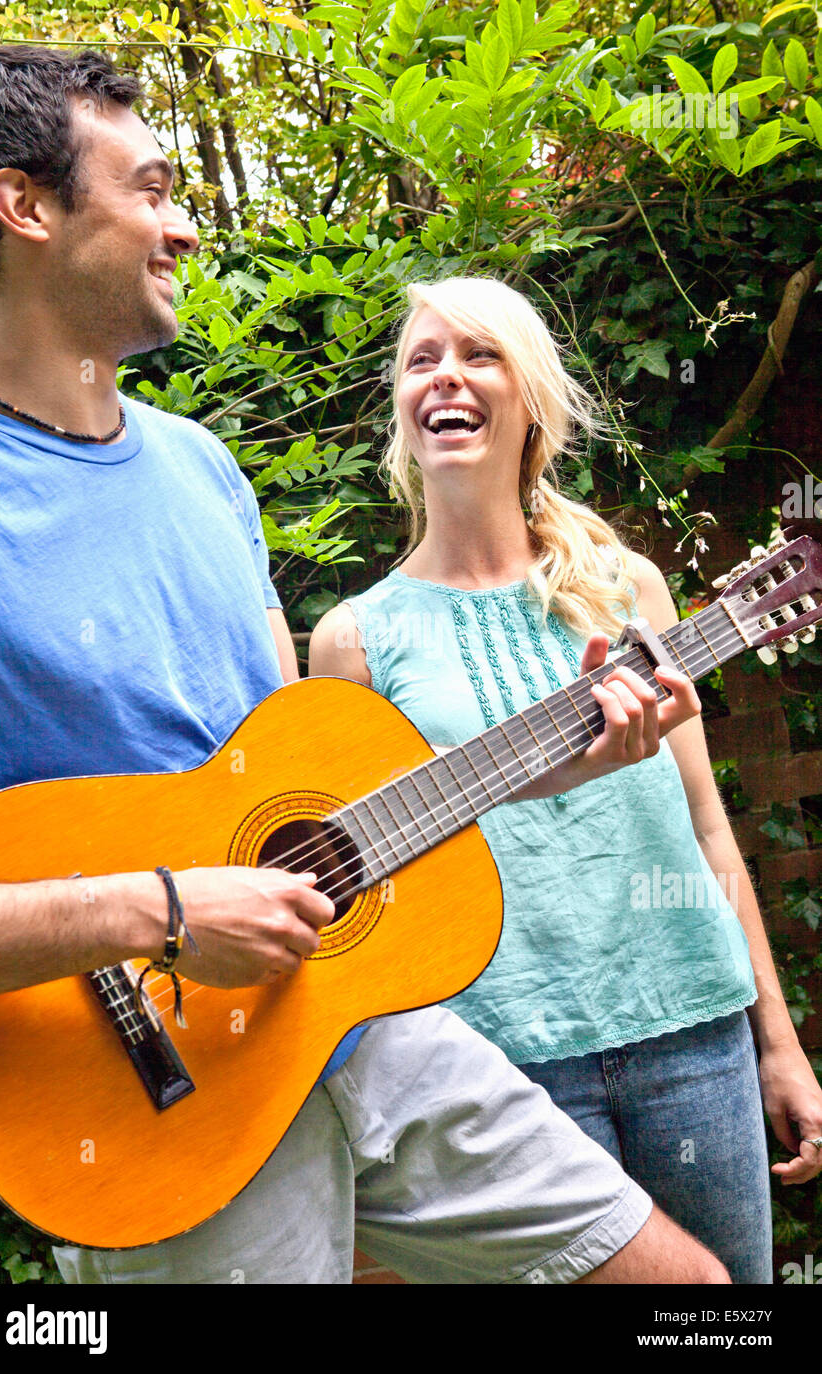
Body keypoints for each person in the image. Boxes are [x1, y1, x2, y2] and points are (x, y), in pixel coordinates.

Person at [0, 45, 728, 1285]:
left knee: (687, 1290)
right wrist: (157, 912)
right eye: (152, 188)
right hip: (158, 1103)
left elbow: (308, 803)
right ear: (28, 206)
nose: (183, 226)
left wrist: (557, 755)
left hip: (348, 1023)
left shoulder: (204, 470)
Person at [310, 276, 822, 1285]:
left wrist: (779, 1041)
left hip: (689, 1028)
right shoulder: (354, 640)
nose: (445, 376)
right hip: (505, 1058)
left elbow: (709, 833)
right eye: (422, 359)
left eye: (479, 354)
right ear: (402, 414)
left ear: (530, 402)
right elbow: (371, 889)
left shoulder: (623, 587)